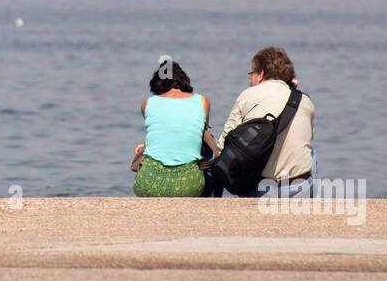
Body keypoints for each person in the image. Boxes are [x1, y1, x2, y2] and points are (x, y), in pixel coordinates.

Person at [214, 46, 316, 198]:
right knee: (311, 153)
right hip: (300, 186)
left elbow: (223, 146)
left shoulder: (248, 95)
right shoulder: (304, 100)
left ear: (260, 74)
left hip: (264, 190)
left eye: (251, 74)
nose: (250, 80)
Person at [130, 60, 217, 197]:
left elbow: (161, 131)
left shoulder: (148, 103)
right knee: (205, 152)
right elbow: (195, 133)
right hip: (189, 185)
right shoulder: (202, 101)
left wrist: (145, 146)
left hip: (148, 184)